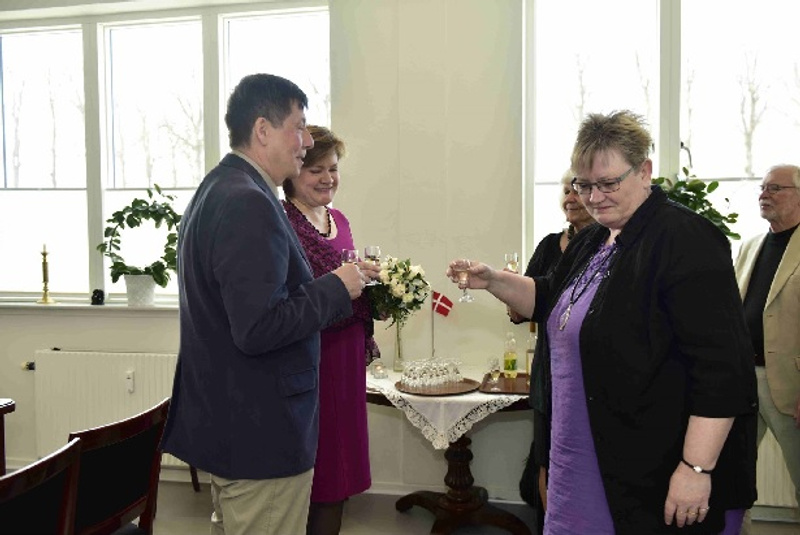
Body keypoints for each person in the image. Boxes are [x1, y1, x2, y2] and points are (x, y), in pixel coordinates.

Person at [448, 110, 757, 534]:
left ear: (645, 171)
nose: (594, 198)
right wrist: (494, 281)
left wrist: (696, 469)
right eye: (584, 185)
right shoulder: (594, 238)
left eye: (608, 183)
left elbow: (723, 370)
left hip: (655, 463)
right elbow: (552, 299)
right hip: (582, 452)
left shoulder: (685, 239)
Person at [160, 73, 379, 535]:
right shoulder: (249, 203)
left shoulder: (219, 187)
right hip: (261, 431)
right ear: (263, 130)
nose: (306, 142)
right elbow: (259, 326)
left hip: (233, 423)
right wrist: (336, 287)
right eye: (298, 128)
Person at [281, 125, 376, 535]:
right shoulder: (282, 221)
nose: (327, 178)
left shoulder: (340, 220)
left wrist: (373, 279)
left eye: (333, 168)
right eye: (315, 169)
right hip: (311, 358)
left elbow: (346, 282)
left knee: (342, 471)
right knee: (318, 475)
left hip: (347, 356)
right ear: (293, 173)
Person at [510, 168, 595, 534]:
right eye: (566, 190)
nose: (570, 198)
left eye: (577, 190)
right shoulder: (548, 246)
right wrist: (507, 286)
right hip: (550, 367)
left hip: (592, 368)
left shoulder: (609, 246)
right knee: (547, 456)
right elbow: (520, 311)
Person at [734, 164, 800, 533]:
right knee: (733, 477)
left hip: (792, 385)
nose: (764, 194)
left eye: (775, 188)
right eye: (762, 188)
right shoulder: (749, 246)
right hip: (743, 380)